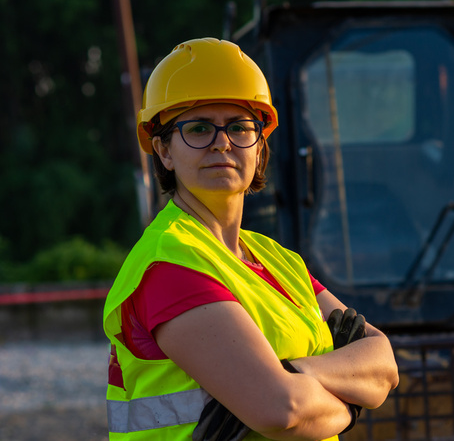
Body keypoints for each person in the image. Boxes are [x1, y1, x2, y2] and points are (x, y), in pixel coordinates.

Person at [103, 37, 399, 440]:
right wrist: (349, 397)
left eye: (240, 127)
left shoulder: (278, 260)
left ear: (259, 148)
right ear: (164, 151)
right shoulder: (170, 263)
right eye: (199, 128)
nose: (222, 142)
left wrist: (295, 372)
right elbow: (280, 409)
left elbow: (383, 364)